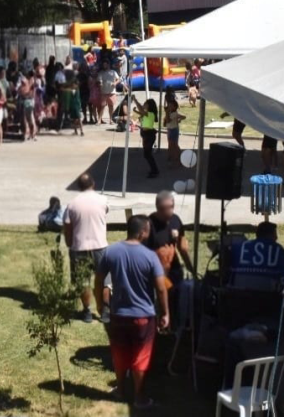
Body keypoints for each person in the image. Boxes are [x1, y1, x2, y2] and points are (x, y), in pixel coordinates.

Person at [96, 215, 169, 409]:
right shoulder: (150, 256)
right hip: (143, 316)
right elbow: (161, 288)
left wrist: (99, 304)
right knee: (140, 357)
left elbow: (98, 279)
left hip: (118, 314)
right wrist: (165, 313)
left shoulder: (110, 251)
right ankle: (139, 397)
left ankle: (120, 390)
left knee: (119, 354)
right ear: (143, 232)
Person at [64, 173, 109, 323]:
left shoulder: (72, 204)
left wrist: (70, 244)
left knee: (82, 281)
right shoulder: (103, 200)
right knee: (103, 280)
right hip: (100, 246)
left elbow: (68, 227)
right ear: (93, 183)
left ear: (78, 186)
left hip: (79, 247)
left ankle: (87, 311)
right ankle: (104, 312)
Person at [144, 191, 193, 291]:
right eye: (164, 209)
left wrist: (190, 267)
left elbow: (182, 247)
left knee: (178, 295)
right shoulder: (149, 224)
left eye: (171, 207)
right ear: (158, 208)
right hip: (156, 270)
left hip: (174, 268)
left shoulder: (176, 220)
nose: (169, 211)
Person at [230, 221, 284, 290]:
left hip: (238, 294)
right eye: (274, 234)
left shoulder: (239, 247)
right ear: (269, 235)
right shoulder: (277, 249)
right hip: (267, 296)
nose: (276, 237)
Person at [133, 99, 160, 178]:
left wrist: (135, 100)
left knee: (147, 154)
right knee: (147, 154)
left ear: (149, 106)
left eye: (145, 104)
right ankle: (154, 169)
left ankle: (155, 170)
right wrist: (136, 112)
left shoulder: (150, 114)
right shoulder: (146, 114)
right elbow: (141, 113)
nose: (144, 105)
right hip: (146, 134)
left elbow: (141, 110)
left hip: (149, 135)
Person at [97, 61, 120, 125]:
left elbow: (119, 79)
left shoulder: (113, 72)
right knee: (102, 106)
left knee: (111, 106)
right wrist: (100, 83)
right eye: (103, 64)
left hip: (112, 92)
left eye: (105, 64)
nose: (104, 66)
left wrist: (115, 83)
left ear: (108, 65)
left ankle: (111, 120)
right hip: (104, 92)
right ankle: (99, 120)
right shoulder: (101, 73)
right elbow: (99, 80)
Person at [164, 99, 185, 167]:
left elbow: (168, 121)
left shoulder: (174, 114)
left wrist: (179, 119)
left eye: (170, 105)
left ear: (174, 107)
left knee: (174, 145)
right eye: (168, 105)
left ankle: (178, 159)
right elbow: (165, 123)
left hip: (173, 130)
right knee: (171, 145)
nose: (169, 106)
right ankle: (172, 157)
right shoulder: (170, 113)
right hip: (170, 130)